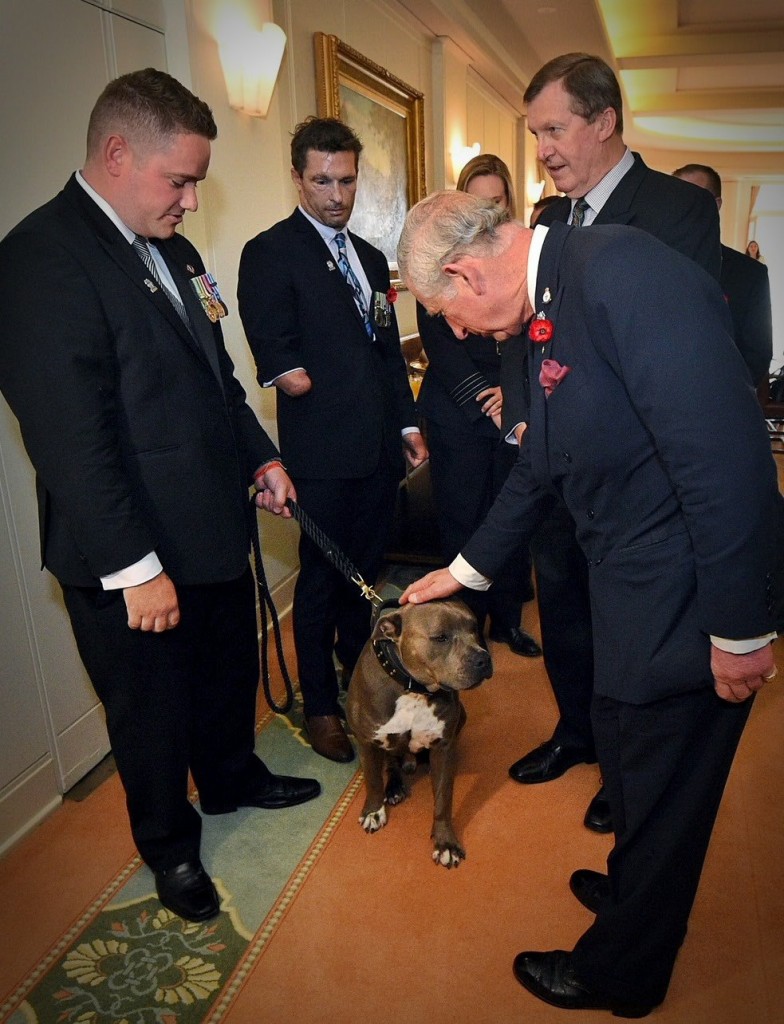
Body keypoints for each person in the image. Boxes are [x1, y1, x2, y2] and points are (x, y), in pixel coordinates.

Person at [395, 188, 782, 1016]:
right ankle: (633, 892)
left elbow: (729, 459)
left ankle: (623, 973)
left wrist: (743, 630)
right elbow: (541, 464)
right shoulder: (554, 293)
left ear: (465, 271)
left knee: (666, 787)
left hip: (688, 592)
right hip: (632, 585)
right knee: (629, 759)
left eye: (446, 310)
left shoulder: (623, 276)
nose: (455, 331)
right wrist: (464, 570)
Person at [0, 69, 321, 924]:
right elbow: (71, 440)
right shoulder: (39, 259)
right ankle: (170, 848)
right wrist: (135, 568)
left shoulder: (173, 249)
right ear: (116, 153)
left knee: (223, 674)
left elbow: (214, 378)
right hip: (129, 552)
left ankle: (230, 780)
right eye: (177, 180)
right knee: (149, 714)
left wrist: (260, 457)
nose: (188, 200)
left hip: (209, 523)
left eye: (194, 184)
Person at [500, 52, 722, 836]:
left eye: (555, 129)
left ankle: (622, 768)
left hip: (633, 479)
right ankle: (575, 732)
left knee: (627, 628)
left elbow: (679, 356)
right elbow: (526, 338)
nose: (546, 149)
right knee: (563, 608)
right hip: (557, 469)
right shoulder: (547, 217)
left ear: (604, 121)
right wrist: (524, 418)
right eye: (536, 135)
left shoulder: (676, 211)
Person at [238, 117, 427, 764]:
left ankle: (358, 685)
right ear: (297, 177)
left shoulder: (373, 260)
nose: (336, 194)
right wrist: (290, 369)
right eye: (322, 180)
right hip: (320, 459)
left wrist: (406, 424)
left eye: (346, 180)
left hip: (378, 454)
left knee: (364, 579)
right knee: (320, 587)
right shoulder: (270, 253)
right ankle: (318, 705)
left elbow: (387, 357)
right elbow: (279, 358)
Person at [415, 154, 541, 658]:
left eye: (496, 201)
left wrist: (513, 396)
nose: (488, 209)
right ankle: (463, 630)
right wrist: (483, 402)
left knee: (511, 516)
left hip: (513, 406)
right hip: (458, 415)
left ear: (506, 203)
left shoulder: (520, 267)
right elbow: (440, 344)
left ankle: (507, 621)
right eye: (478, 200)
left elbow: (526, 336)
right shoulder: (440, 269)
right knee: (463, 521)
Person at [673, 164, 773, 388]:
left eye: (694, 197)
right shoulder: (648, 261)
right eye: (677, 197)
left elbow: (757, 353)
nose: (684, 206)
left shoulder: (749, 274)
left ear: (716, 205)